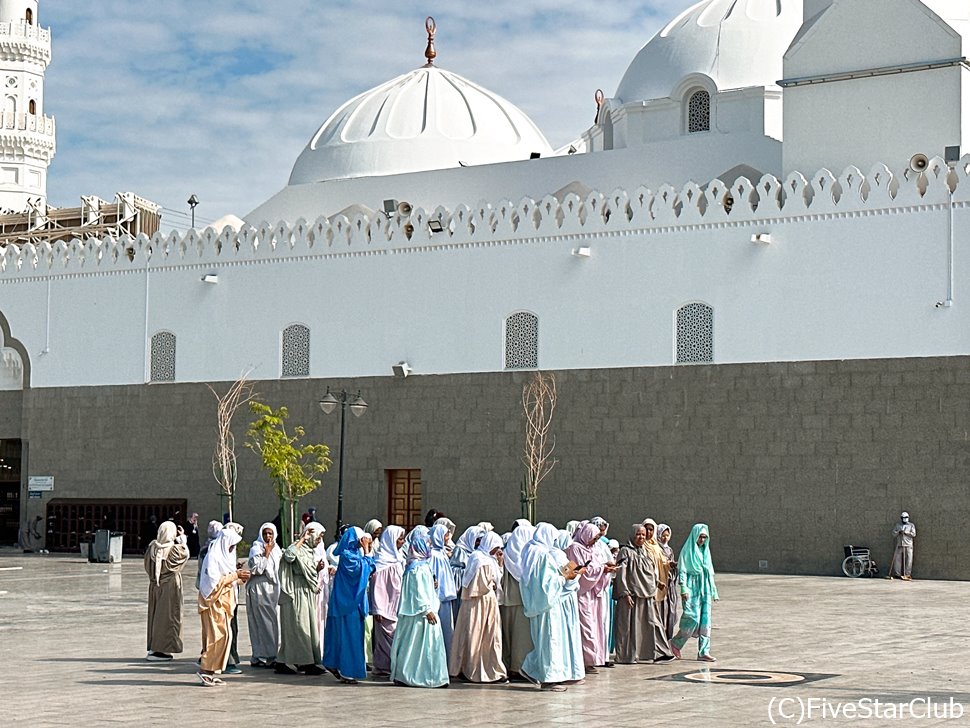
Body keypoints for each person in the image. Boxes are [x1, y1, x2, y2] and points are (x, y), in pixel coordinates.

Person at [519, 522, 585, 691]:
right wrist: (566, 577)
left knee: (542, 640)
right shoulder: (543, 555)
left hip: (537, 603)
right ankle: (549, 680)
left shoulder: (529, 551)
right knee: (550, 639)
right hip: (548, 604)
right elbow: (547, 584)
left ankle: (531, 669)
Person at [389, 530, 450, 688]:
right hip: (421, 614)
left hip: (425, 611)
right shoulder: (416, 569)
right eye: (427, 544)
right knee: (418, 646)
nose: (429, 547)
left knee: (421, 646)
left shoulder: (421, 566)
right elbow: (417, 592)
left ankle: (432, 676)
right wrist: (426, 609)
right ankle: (418, 676)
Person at [450, 531, 507, 683]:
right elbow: (481, 586)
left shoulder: (486, 559)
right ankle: (474, 669)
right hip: (480, 603)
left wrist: (500, 566)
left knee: (488, 637)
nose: (498, 551)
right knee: (476, 635)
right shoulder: (481, 560)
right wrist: (492, 584)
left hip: (484, 603)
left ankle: (491, 668)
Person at [197, 523, 250, 686]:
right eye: (232, 545)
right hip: (213, 603)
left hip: (224, 603)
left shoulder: (225, 558)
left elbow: (227, 578)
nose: (233, 548)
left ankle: (212, 672)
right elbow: (213, 583)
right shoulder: (213, 557)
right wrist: (235, 575)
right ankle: (205, 670)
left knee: (224, 637)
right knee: (216, 637)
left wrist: (239, 578)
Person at [613, 524, 673, 664]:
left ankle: (655, 653)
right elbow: (621, 574)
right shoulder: (625, 552)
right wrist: (625, 593)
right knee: (628, 627)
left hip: (647, 594)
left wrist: (657, 582)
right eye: (638, 534)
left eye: (643, 535)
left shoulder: (645, 551)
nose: (641, 537)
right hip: (631, 595)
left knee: (651, 624)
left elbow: (649, 571)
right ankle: (626, 656)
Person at [323, 526, 376, 684]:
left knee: (346, 637)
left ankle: (335, 664)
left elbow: (370, 568)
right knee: (349, 638)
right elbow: (365, 569)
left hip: (351, 604)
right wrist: (367, 550)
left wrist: (367, 550)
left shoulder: (354, 554)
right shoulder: (347, 556)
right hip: (347, 605)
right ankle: (347, 672)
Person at [565, 522, 617, 673]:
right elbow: (579, 572)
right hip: (582, 593)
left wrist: (605, 569)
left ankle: (595, 658)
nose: (594, 541)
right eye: (593, 538)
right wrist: (601, 569)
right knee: (586, 626)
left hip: (594, 594)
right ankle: (586, 660)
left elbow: (593, 568)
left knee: (595, 626)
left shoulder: (593, 549)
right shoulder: (575, 548)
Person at [276, 522, 326, 675]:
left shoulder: (309, 551)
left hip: (306, 592)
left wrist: (316, 570)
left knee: (306, 627)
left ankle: (303, 661)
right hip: (296, 593)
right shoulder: (298, 547)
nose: (319, 540)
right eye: (318, 536)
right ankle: (300, 662)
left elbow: (306, 570)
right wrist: (302, 539)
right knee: (299, 626)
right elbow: (289, 556)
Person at [671, 523, 719, 662]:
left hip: (705, 588)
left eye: (705, 537)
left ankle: (704, 651)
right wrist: (684, 588)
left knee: (705, 621)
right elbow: (683, 570)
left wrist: (714, 590)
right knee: (692, 618)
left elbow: (710, 572)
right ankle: (676, 643)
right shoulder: (688, 550)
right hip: (692, 587)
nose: (702, 540)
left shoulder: (706, 552)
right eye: (700, 537)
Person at [144, 521, 190, 661]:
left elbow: (147, 566)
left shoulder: (152, 548)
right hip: (170, 587)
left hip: (155, 586)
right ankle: (161, 649)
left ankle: (154, 646)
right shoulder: (175, 550)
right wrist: (183, 540)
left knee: (156, 616)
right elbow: (185, 555)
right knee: (168, 618)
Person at [500, 519, 535, 679]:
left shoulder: (505, 553)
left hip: (506, 601)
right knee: (521, 638)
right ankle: (519, 667)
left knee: (507, 636)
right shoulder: (526, 558)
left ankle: (507, 666)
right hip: (522, 601)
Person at [370, 525, 406, 676]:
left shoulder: (399, 559)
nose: (402, 542)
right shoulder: (381, 562)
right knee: (385, 638)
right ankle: (384, 666)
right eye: (399, 539)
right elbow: (376, 586)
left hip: (397, 604)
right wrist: (378, 608)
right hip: (384, 607)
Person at [247, 522, 282, 668]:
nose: (268, 537)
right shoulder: (256, 548)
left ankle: (269, 653)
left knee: (272, 622)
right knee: (263, 622)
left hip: (272, 589)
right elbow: (257, 569)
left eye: (270, 533)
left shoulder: (277, 549)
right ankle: (265, 655)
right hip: (260, 589)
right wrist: (266, 553)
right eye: (265, 533)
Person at [428, 524, 458, 655]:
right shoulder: (433, 554)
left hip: (446, 596)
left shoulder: (442, 553)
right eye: (445, 535)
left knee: (446, 629)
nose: (447, 538)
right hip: (437, 596)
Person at [450, 525, 483, 620]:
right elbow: (454, 571)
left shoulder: (479, 552)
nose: (479, 543)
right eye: (477, 540)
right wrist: (469, 572)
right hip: (461, 593)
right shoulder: (460, 550)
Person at [656, 524, 679, 641]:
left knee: (671, 612)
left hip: (669, 585)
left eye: (667, 535)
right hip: (660, 585)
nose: (665, 538)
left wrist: (673, 567)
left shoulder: (669, 550)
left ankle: (668, 639)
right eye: (663, 535)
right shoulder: (656, 549)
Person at [888, 511, 916, 580]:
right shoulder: (898, 525)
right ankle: (897, 574)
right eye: (904, 518)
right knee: (897, 560)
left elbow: (913, 534)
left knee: (909, 559)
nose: (905, 519)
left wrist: (906, 533)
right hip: (900, 544)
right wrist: (898, 532)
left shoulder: (911, 525)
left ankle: (907, 574)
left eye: (906, 517)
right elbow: (893, 533)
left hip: (908, 544)